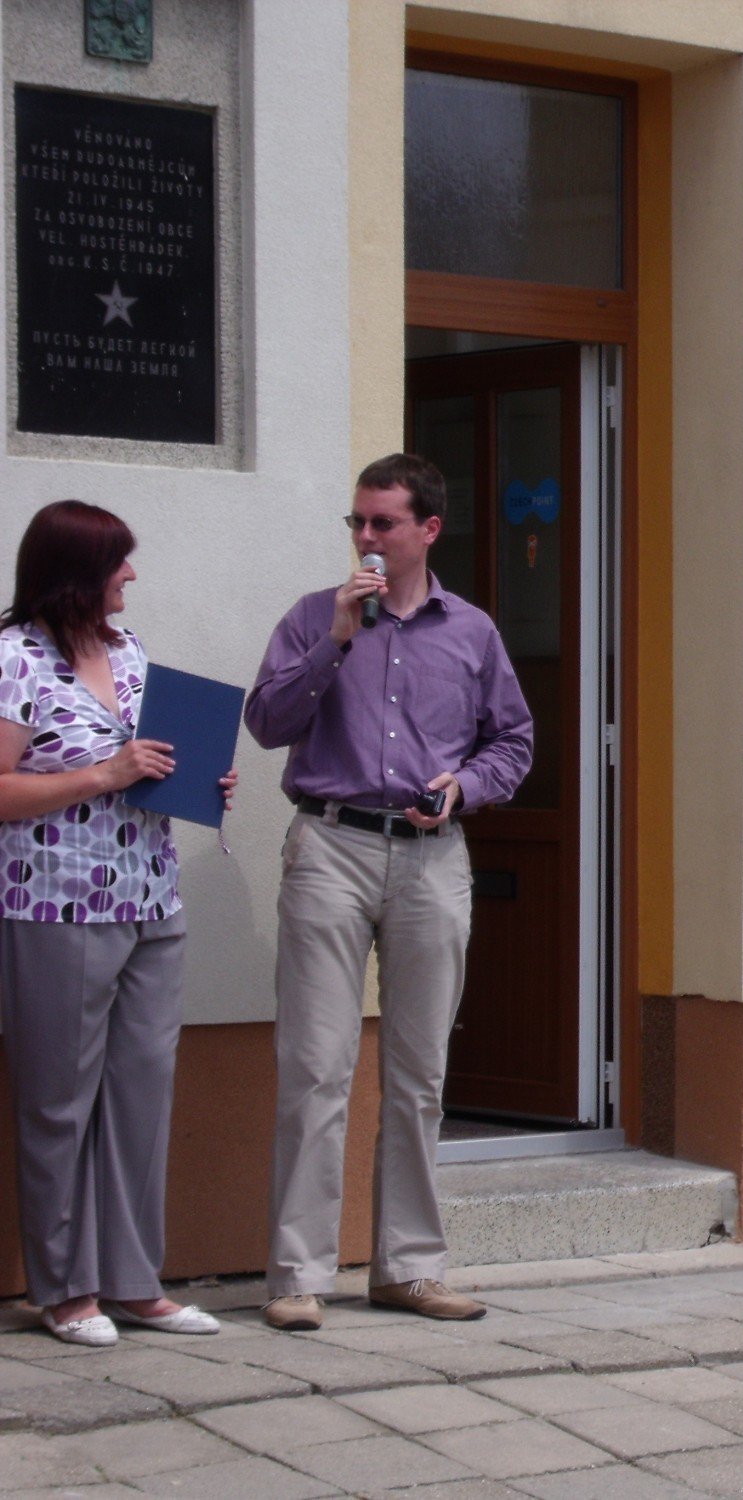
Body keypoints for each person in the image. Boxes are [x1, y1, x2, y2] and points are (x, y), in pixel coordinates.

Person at [246, 454, 531, 1331]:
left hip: (432, 856)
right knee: (316, 1068)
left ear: (427, 531)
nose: (365, 539)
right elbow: (266, 724)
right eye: (356, 523)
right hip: (330, 845)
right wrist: (335, 641)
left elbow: (513, 745)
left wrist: (465, 785)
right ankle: (298, 1274)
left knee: (418, 1075)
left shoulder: (472, 632)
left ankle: (407, 1267)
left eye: (382, 524)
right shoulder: (313, 618)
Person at [0, 500, 235, 1346]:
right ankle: (64, 1291)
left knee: (141, 1098)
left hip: (151, 901)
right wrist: (106, 774)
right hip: (55, 906)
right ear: (76, 571)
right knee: (59, 1105)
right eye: (119, 562)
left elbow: (150, 761)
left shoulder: (130, 652)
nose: (132, 575)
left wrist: (197, 781)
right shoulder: (15, 661)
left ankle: (137, 1283)